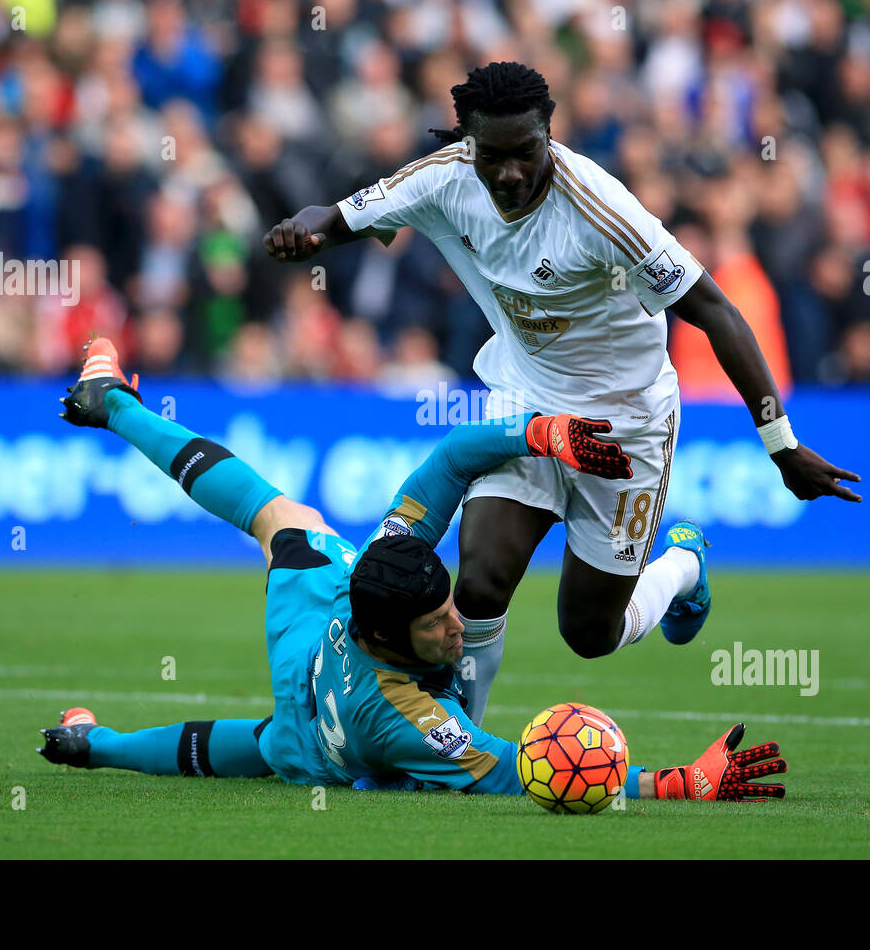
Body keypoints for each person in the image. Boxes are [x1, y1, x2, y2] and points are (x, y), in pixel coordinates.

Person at [263, 61, 861, 725]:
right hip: (525, 401)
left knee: (588, 631)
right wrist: (306, 228)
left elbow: (716, 310)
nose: (511, 173)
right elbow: (342, 213)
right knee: (483, 575)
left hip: (624, 424)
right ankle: (462, 742)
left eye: (527, 153)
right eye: (494, 157)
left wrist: (782, 445)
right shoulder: (445, 177)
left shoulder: (602, 209)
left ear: (550, 132)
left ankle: (685, 566)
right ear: (470, 145)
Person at [39, 338, 787, 802]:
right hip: (338, 733)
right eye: (437, 622)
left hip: (308, 638)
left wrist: (541, 431)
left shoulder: (385, 563)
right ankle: (686, 556)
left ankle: (115, 409)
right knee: (276, 749)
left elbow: (455, 455)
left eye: (447, 606)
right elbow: (521, 767)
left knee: (282, 523)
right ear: (391, 638)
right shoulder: (402, 714)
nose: (456, 620)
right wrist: (676, 783)